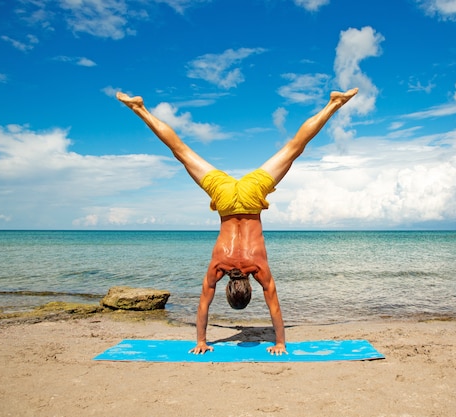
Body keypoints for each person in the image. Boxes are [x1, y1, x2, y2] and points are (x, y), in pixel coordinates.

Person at [117, 88, 358, 355]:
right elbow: (203, 306)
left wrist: (280, 342)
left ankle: (334, 104)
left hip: (252, 197)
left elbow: (274, 307)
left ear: (248, 287)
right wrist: (201, 340)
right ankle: (139, 109)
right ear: (228, 287)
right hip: (224, 199)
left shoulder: (259, 268)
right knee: (181, 151)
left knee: (293, 149)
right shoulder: (218, 267)